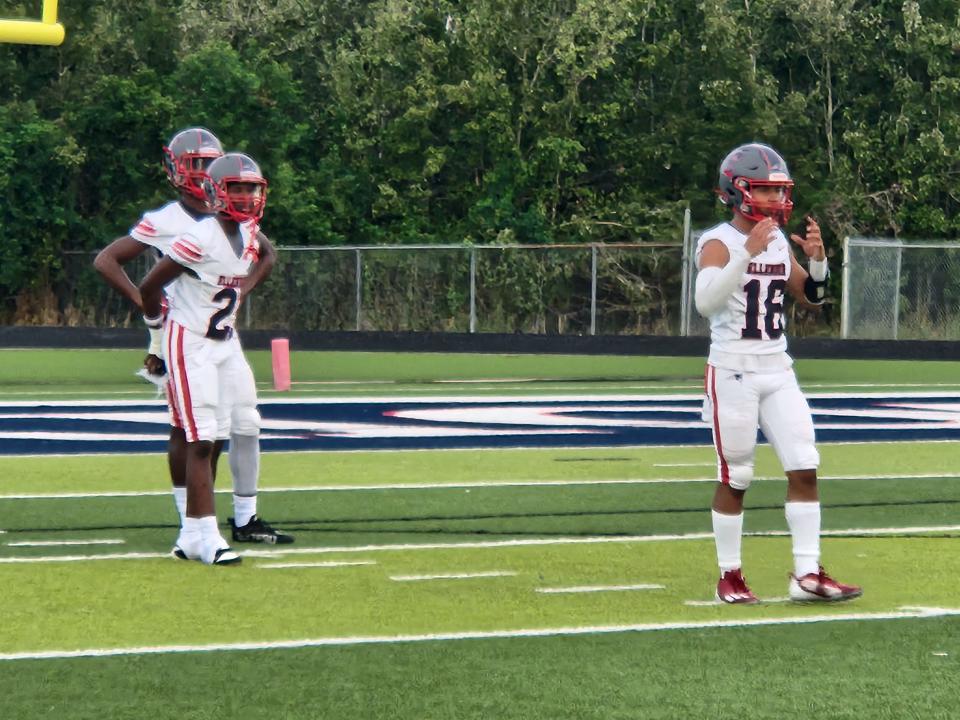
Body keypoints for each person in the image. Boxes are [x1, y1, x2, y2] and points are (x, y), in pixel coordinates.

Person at [94, 129, 291, 549]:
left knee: (242, 423)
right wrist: (151, 313)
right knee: (188, 428)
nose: (201, 172)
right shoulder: (167, 220)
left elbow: (266, 255)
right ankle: (192, 522)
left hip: (220, 332)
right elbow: (108, 260)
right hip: (180, 331)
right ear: (174, 168)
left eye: (208, 163)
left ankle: (243, 516)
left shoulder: (237, 218)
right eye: (194, 163)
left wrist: (238, 294)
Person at [695, 142, 861, 604]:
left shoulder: (776, 241)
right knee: (737, 475)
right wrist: (745, 254)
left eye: (777, 191)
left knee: (804, 466)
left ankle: (807, 575)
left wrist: (818, 260)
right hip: (733, 370)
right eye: (764, 191)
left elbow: (813, 297)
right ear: (736, 192)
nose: (773, 200)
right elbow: (705, 303)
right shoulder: (716, 242)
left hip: (778, 367)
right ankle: (730, 576)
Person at [139, 152, 281, 564]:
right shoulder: (201, 235)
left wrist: (242, 294)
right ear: (217, 192)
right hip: (191, 343)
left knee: (229, 429)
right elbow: (150, 286)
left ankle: (194, 536)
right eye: (236, 187)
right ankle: (202, 535)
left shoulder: (250, 233)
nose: (246, 195)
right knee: (199, 439)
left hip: (222, 342)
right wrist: (157, 332)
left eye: (252, 187)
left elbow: (265, 260)